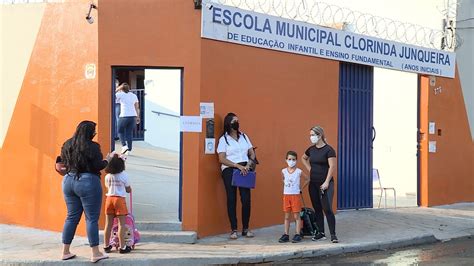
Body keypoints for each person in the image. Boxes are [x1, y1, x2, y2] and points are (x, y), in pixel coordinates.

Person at [60, 120, 111, 263]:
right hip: (88, 182)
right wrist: (107, 160)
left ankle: (65, 251)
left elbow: (62, 161)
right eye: (93, 131)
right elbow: (97, 165)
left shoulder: (67, 144)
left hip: (68, 181)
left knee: (71, 217)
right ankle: (95, 253)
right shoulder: (93, 147)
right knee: (91, 218)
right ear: (90, 133)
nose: (94, 134)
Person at [217, 113, 257, 239]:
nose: (237, 123)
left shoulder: (244, 136)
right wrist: (237, 166)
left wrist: (249, 164)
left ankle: (246, 228)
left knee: (246, 199)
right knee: (231, 198)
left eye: (238, 121)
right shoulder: (224, 139)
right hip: (230, 169)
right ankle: (234, 229)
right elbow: (221, 158)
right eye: (234, 121)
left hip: (245, 168)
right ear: (228, 123)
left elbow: (252, 153)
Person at [301, 126, 339, 243]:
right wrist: (310, 169)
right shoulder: (311, 150)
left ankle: (333, 234)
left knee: (327, 209)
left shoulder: (329, 150)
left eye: (313, 135)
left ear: (320, 135)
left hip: (325, 184)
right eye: (310, 135)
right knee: (317, 209)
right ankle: (321, 233)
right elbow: (303, 158)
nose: (311, 137)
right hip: (313, 183)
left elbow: (332, 166)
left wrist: (327, 182)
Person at [103, 154, 132, 254]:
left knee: (108, 224)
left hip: (109, 199)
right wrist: (129, 189)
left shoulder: (107, 176)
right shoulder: (124, 175)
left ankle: (106, 246)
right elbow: (128, 189)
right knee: (121, 224)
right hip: (119, 200)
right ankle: (122, 247)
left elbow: (107, 187)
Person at [279, 151, 309, 243]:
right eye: (289, 159)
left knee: (296, 216)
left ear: (296, 160)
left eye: (293, 159)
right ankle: (286, 234)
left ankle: (297, 233)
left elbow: (307, 179)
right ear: (286, 160)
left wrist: (301, 188)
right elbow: (283, 179)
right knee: (287, 216)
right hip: (286, 195)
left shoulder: (299, 172)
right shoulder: (283, 171)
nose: (291, 161)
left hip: (295, 196)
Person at [116, 83, 140, 155]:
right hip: (133, 116)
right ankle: (129, 150)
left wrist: (118, 88)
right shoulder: (133, 95)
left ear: (121, 89)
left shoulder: (120, 94)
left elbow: (111, 95)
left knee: (120, 131)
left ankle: (124, 146)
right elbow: (137, 107)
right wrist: (137, 116)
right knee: (129, 133)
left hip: (124, 116)